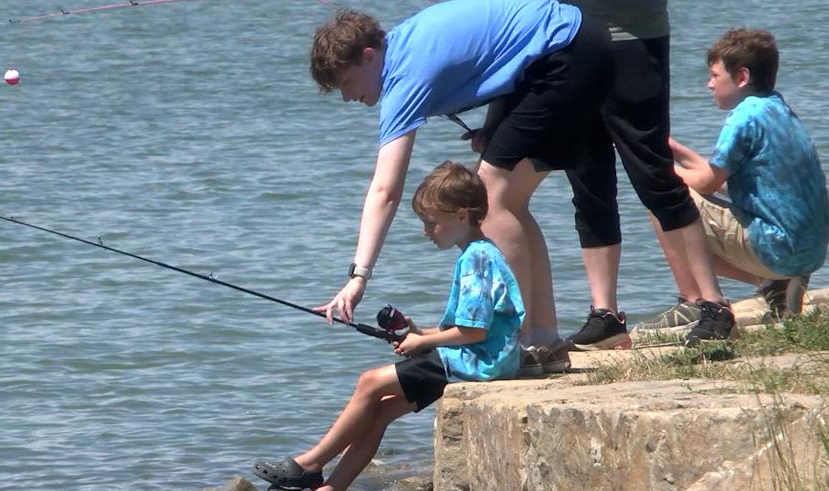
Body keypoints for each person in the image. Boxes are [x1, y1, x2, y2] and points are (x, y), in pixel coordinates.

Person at [310, 0, 612, 375]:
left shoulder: (405, 75)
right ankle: (544, 339)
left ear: (369, 57)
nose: (347, 97)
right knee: (508, 200)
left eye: (346, 83)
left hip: (567, 52)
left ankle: (519, 344)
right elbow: (502, 50)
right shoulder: (405, 44)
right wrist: (496, 126)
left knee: (490, 197)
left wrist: (359, 276)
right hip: (576, 41)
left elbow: (386, 190)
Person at [253, 162, 524, 491]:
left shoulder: (475, 259)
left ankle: (309, 464)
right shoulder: (482, 252)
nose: (427, 231)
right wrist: (421, 333)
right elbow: (474, 326)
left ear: (461, 215)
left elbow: (475, 333)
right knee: (378, 412)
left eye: (432, 222)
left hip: (477, 361)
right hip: (483, 357)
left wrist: (421, 345)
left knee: (369, 382)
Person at [560, 1, 735, 350]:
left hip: (633, 38)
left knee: (654, 176)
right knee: (586, 178)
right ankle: (605, 315)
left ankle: (714, 304)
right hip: (569, 43)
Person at [669, 28, 828, 324]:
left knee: (663, 198)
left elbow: (706, 183)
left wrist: (656, 167)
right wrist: (670, 149)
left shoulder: (745, 116)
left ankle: (696, 303)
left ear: (741, 77)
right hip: (810, 252)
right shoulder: (778, 109)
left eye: (715, 76)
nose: (709, 85)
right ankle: (774, 286)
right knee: (680, 191)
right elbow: (718, 177)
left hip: (778, 251)